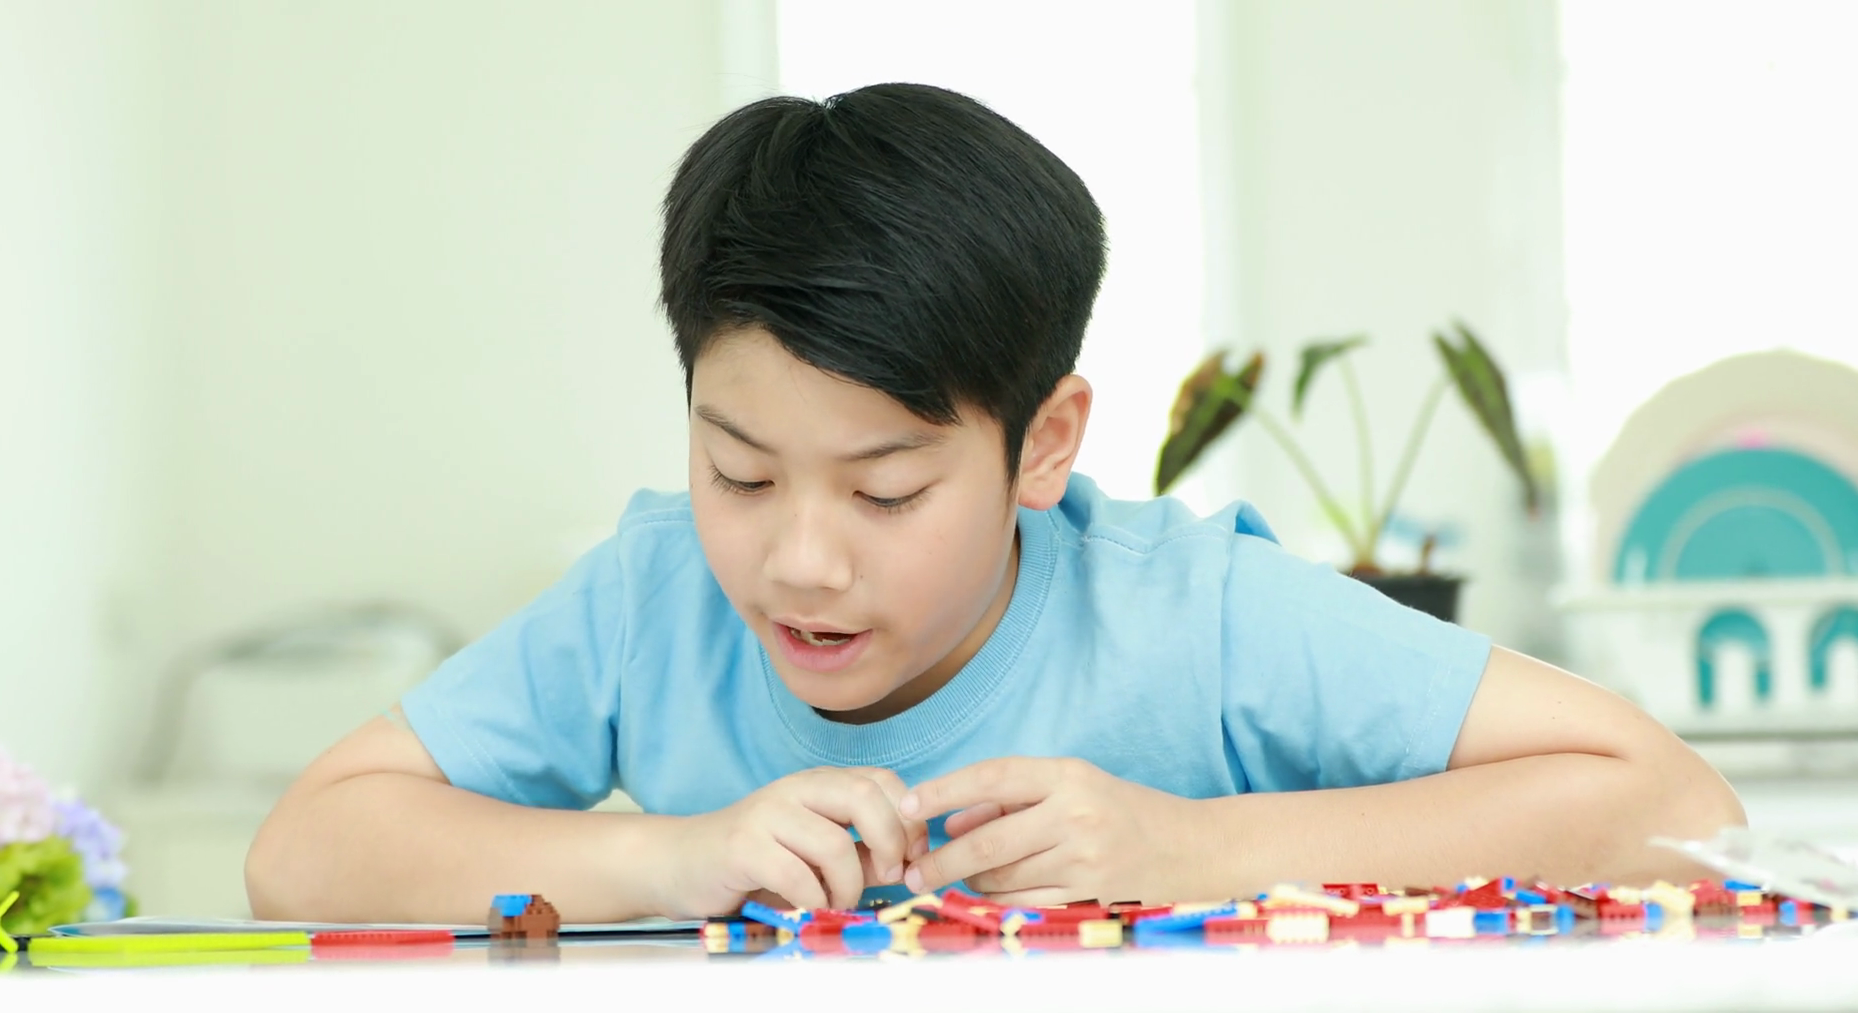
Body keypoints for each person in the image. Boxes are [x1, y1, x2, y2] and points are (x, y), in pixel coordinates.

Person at [245, 83, 1743, 924]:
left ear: (1044, 445)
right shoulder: (653, 600)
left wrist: (1192, 851)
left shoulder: (1194, 613)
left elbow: (1676, 805)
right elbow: (300, 852)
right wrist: (676, 857)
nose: (798, 561)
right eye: (739, 473)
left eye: (888, 490)